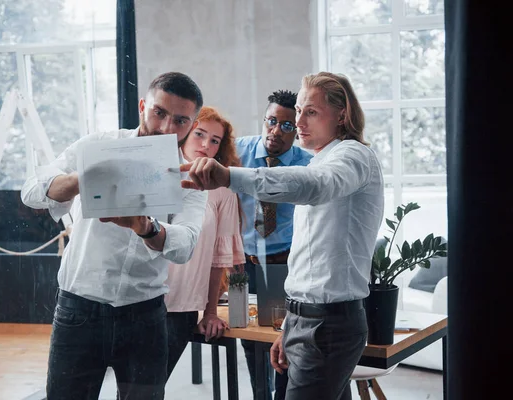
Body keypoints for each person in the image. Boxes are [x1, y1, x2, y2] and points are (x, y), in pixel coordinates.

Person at [181, 71, 385, 400]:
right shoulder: (316, 158)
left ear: (342, 114)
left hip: (324, 320)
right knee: (250, 345)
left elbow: (315, 186)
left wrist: (228, 176)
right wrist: (291, 326)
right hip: (268, 286)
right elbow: (310, 256)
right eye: (298, 111)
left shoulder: (351, 157)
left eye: (310, 112)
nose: (298, 121)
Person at [21, 72, 207, 400]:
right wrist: (83, 178)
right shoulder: (98, 146)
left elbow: (185, 247)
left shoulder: (189, 179)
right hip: (79, 308)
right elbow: (32, 191)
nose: (166, 128)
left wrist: (147, 228)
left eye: (180, 120)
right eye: (159, 113)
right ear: (142, 106)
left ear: (192, 124)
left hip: (145, 315)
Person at [235, 90, 312, 399]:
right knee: (246, 335)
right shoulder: (236, 152)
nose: (276, 131)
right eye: (272, 121)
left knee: (282, 338)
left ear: (297, 129)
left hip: (283, 262)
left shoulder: (308, 164)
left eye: (286, 125)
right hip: (241, 263)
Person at [164, 106, 245, 378]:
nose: (205, 144)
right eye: (199, 134)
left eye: (215, 140)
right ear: (185, 132)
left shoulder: (223, 190)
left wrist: (210, 312)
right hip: (139, 300)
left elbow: (220, 258)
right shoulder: (157, 173)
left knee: (150, 388)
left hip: (183, 305)